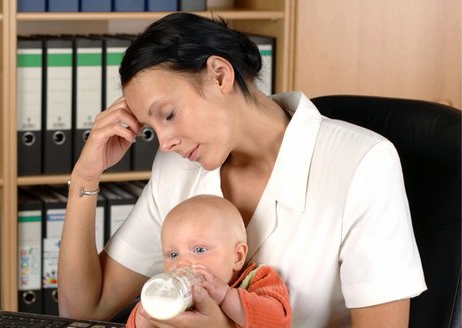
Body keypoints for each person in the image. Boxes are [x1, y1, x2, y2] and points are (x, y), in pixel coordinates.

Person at [58, 12, 427, 327]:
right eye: (153, 128)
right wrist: (85, 177)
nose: (165, 142)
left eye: (169, 114)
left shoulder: (363, 163)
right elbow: (81, 309)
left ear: (220, 75)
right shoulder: (177, 169)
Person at [126, 194, 291, 328]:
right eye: (173, 254)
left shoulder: (257, 279)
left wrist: (226, 296)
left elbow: (278, 321)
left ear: (238, 256)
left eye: (199, 250)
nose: (182, 263)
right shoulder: (175, 298)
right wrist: (151, 307)